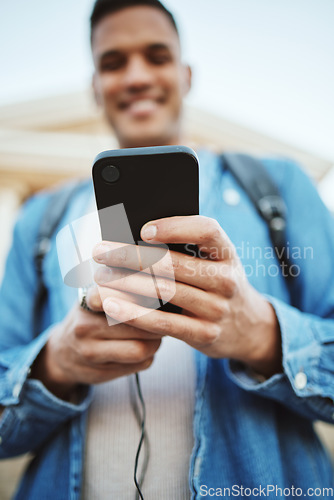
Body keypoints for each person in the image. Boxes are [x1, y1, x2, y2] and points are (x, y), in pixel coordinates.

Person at [0, 0, 334, 498]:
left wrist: (264, 336)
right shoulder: (42, 221)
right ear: (94, 84)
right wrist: (56, 364)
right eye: (113, 62)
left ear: (186, 74)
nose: (136, 76)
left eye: (156, 56)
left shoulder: (279, 186)